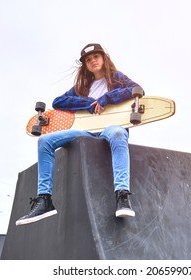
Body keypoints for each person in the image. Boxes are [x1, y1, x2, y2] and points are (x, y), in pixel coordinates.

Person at [16, 43, 141, 226]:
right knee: (44, 140)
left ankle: (122, 196)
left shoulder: (115, 78)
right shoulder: (83, 86)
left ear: (103, 58)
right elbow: (58, 102)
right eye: (88, 60)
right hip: (86, 130)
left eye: (96, 57)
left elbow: (136, 89)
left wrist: (106, 98)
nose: (92, 61)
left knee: (117, 133)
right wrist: (86, 102)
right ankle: (44, 200)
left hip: (110, 127)